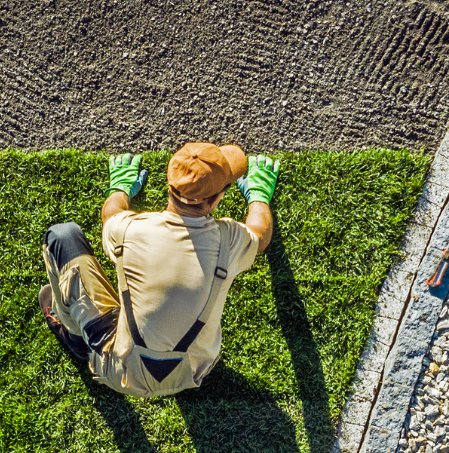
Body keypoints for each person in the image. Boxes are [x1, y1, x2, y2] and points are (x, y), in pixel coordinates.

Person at [40, 142, 279, 397]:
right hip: (193, 371)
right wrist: (258, 196)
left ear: (170, 185)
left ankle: (77, 340)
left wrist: (120, 188)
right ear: (214, 200)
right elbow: (260, 234)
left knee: (63, 236)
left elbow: (111, 213)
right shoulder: (229, 241)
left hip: (121, 372)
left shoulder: (127, 229)